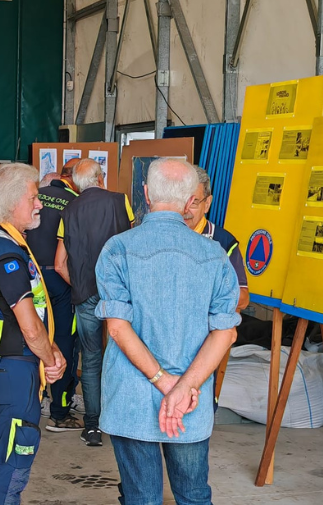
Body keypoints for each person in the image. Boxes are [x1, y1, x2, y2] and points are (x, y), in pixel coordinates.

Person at [95, 158, 240, 504]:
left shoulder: (118, 248)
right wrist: (183, 388)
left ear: (145, 194)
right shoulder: (215, 255)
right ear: (192, 201)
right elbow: (226, 332)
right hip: (190, 403)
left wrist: (163, 382)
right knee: (193, 495)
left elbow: (116, 328)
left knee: (141, 496)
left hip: (131, 398)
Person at [0, 163, 66, 504]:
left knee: (2, 454)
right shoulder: (5, 251)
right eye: (34, 197)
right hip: (14, 368)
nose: (39, 203)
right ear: (11, 201)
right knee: (13, 458)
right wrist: (50, 356)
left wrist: (49, 348)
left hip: (8, 366)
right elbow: (26, 322)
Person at [55, 158, 134, 447]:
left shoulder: (69, 210)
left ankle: (92, 425)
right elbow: (132, 246)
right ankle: (122, 420)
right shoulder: (120, 201)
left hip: (85, 295)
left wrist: (81, 287)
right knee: (125, 354)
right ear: (101, 178)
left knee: (90, 358)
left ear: (75, 183)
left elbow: (60, 264)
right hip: (119, 296)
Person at [26, 158, 83, 431]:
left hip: (28, 277)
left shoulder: (35, 197)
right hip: (60, 278)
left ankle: (32, 403)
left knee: (31, 336)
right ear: (75, 179)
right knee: (63, 340)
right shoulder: (75, 203)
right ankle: (60, 410)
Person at [184, 166, 249, 312]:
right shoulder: (164, 237)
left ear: (207, 204)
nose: (185, 209)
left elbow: (243, 298)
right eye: (181, 201)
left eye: (193, 202)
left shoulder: (223, 242)